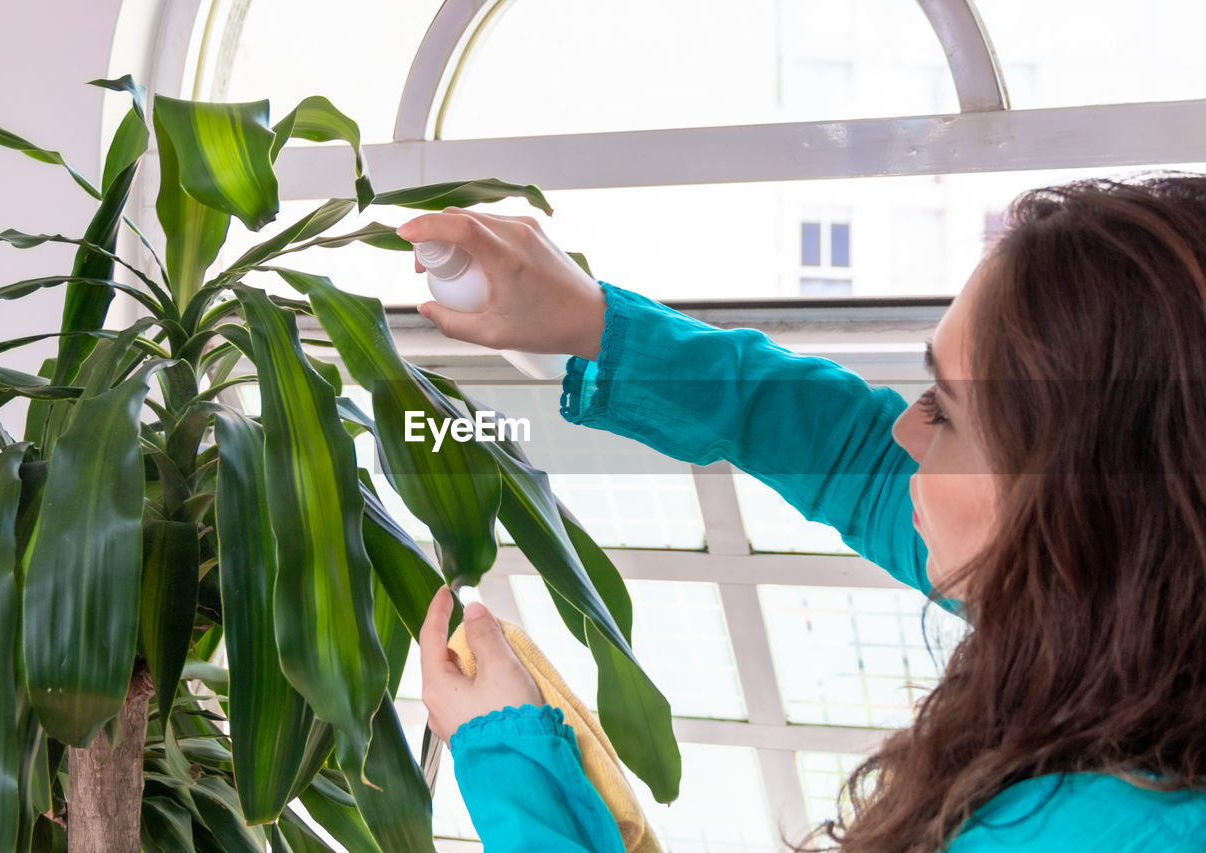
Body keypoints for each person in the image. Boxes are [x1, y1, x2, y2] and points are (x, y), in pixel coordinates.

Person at [399, 173, 1206, 852]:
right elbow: (855, 455)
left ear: (1081, 502)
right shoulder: (1141, 619)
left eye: (946, 411)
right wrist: (595, 323)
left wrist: (511, 757)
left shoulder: (1093, 831)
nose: (904, 430)